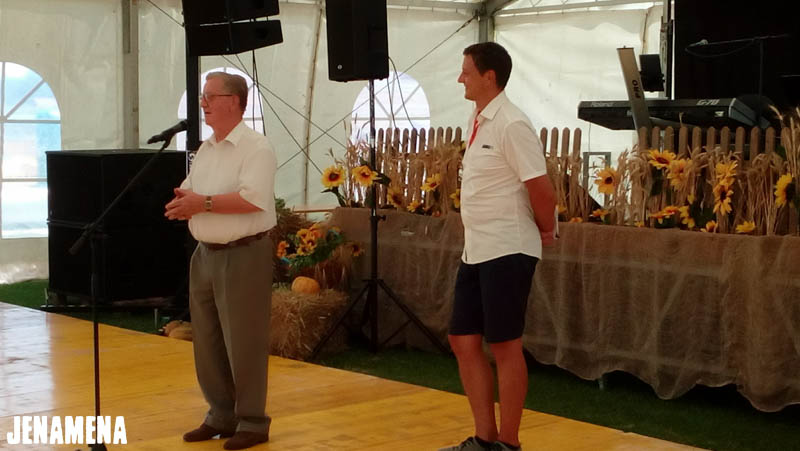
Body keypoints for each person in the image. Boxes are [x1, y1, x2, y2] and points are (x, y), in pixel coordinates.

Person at [440, 42, 556, 451]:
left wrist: (545, 229)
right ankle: (483, 439)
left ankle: (508, 443)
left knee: (505, 344)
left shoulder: (512, 123)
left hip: (508, 247)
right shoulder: (478, 118)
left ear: (489, 77)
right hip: (477, 248)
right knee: (462, 339)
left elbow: (541, 188)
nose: (460, 79)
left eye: (467, 72)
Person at [165, 71, 277, 451]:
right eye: (203, 96)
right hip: (205, 253)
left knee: (244, 341)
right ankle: (220, 415)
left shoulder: (256, 148)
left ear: (233, 101)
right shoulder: (207, 149)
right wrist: (184, 203)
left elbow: (253, 199)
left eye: (210, 96)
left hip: (243, 253)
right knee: (207, 340)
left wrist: (203, 203)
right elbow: (193, 191)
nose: (203, 103)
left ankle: (253, 421)